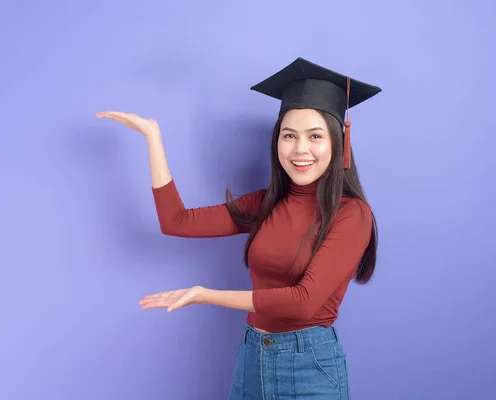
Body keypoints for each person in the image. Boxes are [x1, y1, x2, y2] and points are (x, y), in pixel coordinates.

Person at [96, 57, 382, 399]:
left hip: (309, 366)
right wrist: (153, 137)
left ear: (338, 143)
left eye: (315, 136)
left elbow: (304, 302)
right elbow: (176, 222)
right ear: (277, 142)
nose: (300, 149)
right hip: (252, 356)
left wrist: (205, 295)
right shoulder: (265, 204)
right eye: (289, 135)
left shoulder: (352, 215)